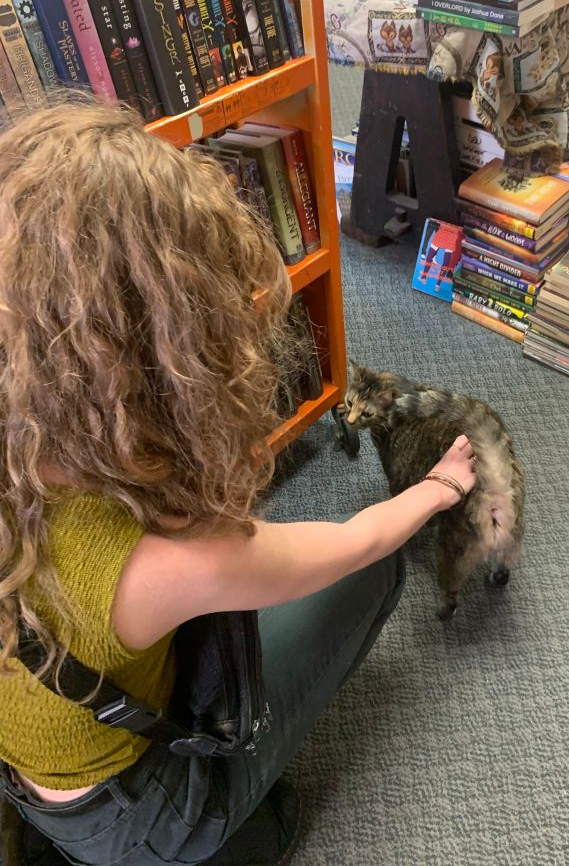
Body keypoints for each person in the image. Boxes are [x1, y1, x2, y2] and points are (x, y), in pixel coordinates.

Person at [0, 102, 477, 866]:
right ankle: (232, 821)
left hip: (29, 763)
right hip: (140, 815)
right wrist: (437, 489)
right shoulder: (166, 561)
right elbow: (352, 540)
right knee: (376, 562)